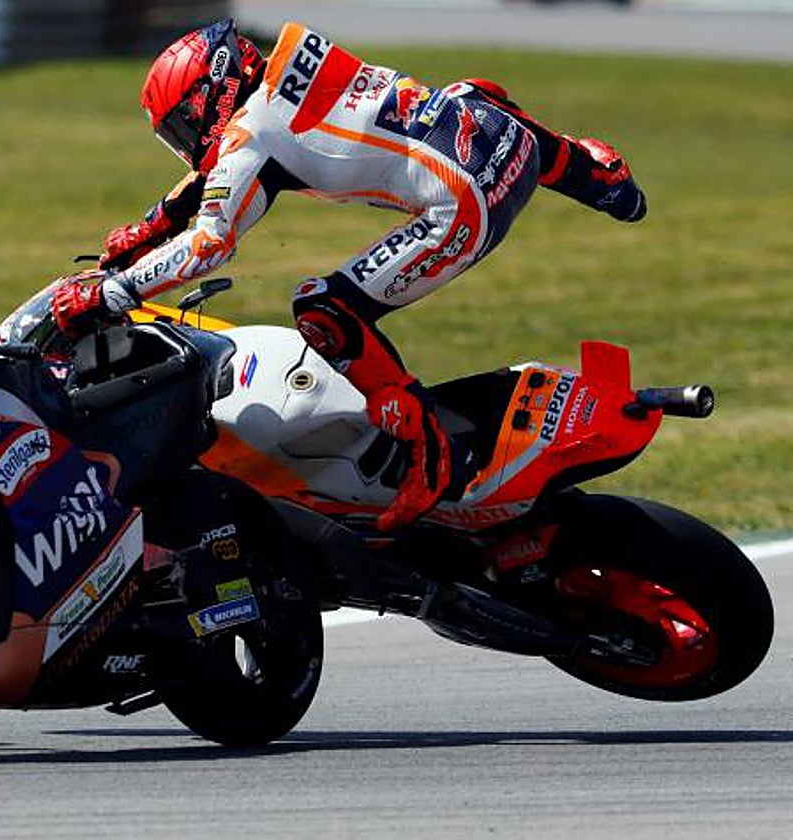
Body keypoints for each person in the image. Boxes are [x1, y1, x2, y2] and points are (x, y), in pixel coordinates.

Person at [50, 18, 646, 531]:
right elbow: (216, 176)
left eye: (184, 124)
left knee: (323, 309)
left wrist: (114, 291)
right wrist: (149, 226)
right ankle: (595, 174)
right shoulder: (298, 58)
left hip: (466, 205)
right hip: (512, 143)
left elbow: (210, 241)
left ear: (213, 91)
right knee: (470, 96)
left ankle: (427, 456)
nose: (186, 140)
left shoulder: (249, 139)